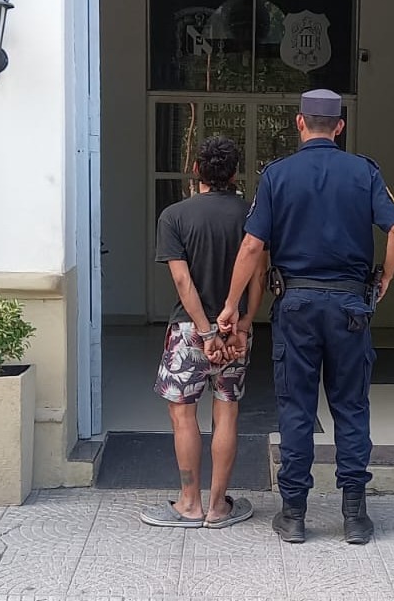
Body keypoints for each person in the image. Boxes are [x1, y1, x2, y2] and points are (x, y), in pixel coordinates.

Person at [219, 89, 394, 544]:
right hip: (350, 307)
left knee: (296, 408)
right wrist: (384, 277)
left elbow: (252, 245)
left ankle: (294, 515)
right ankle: (355, 517)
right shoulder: (364, 172)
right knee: (351, 407)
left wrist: (231, 305)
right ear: (339, 127)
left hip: (297, 307)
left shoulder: (277, 175)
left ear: (299, 123)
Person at [139, 136, 266, 529]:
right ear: (234, 173)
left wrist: (206, 332)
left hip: (189, 332)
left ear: (196, 170)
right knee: (226, 411)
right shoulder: (252, 214)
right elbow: (259, 275)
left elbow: (183, 281)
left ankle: (189, 504)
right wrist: (244, 323)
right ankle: (218, 507)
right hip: (236, 332)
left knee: (183, 415)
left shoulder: (174, 216)